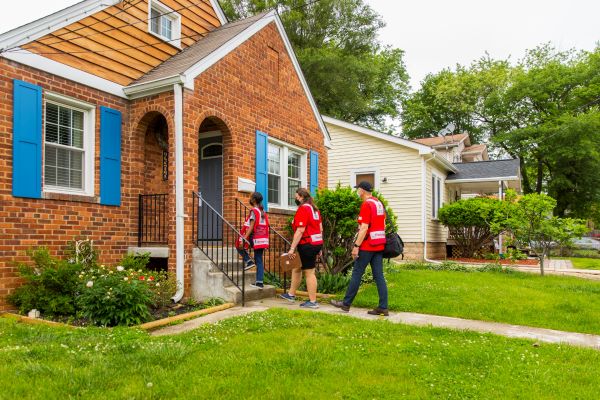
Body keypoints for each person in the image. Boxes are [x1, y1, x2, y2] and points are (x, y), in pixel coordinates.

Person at [331, 181, 389, 316]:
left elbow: (364, 228)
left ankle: (345, 304)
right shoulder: (379, 203)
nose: (357, 192)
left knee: (357, 273)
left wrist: (356, 246)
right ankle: (383, 307)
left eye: (358, 190)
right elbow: (383, 224)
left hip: (368, 245)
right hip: (379, 244)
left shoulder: (367, 204)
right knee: (379, 276)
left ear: (362, 190)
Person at [280, 188, 323, 309]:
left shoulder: (304, 208)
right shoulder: (315, 209)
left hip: (307, 243)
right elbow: (320, 229)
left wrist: (292, 248)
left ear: (301, 197)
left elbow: (300, 230)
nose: (296, 199)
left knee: (309, 272)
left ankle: (313, 301)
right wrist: (320, 247)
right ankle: (291, 294)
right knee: (296, 267)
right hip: (315, 242)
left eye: (296, 197)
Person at [236, 192, 269, 289]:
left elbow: (252, 226)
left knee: (238, 245)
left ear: (254, 200)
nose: (250, 199)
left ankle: (249, 261)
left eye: (251, 198)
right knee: (259, 260)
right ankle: (259, 282)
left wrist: (244, 237)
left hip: (255, 237)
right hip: (263, 238)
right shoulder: (262, 211)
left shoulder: (254, 211)